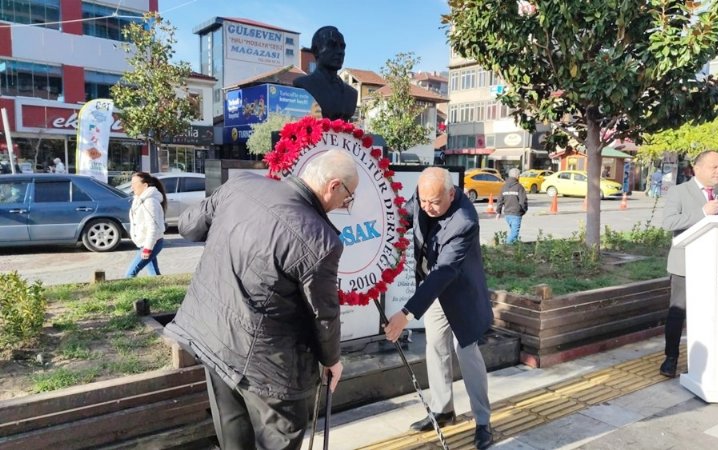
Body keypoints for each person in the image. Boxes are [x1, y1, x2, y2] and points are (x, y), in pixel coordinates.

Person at [164, 149, 358, 450]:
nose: (346, 204)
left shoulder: (241, 186)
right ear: (333, 186)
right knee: (279, 438)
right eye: (349, 197)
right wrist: (332, 360)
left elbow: (189, 226)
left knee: (233, 437)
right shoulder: (320, 240)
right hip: (270, 366)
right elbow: (324, 314)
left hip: (214, 338)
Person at [383, 167, 494, 450]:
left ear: (451, 193)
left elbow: (445, 271)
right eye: (423, 201)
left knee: (466, 352)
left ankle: (483, 420)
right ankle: (443, 410)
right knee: (435, 347)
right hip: (432, 289)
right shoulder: (424, 195)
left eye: (434, 202)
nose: (427, 208)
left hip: (459, 292)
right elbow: (403, 217)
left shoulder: (464, 221)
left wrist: (406, 313)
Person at [659, 151, 718, 378]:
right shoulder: (679, 191)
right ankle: (671, 357)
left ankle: (705, 360)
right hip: (685, 262)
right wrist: (703, 212)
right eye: (714, 167)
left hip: (717, 265)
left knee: (709, 314)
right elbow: (669, 222)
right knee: (678, 313)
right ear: (697, 168)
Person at [293, 26, 358, 121]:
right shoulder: (302, 86)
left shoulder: (351, 93)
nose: (340, 52)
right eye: (332, 45)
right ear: (316, 51)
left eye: (342, 47)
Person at [126, 172, 167, 278]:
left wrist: (147, 249)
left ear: (145, 185)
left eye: (134, 183)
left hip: (151, 243)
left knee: (129, 275)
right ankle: (161, 293)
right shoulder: (138, 200)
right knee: (154, 275)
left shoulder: (150, 202)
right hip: (145, 243)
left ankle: (126, 294)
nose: (132, 186)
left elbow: (152, 227)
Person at [495, 167, 527, 244]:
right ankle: (505, 247)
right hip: (516, 213)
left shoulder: (504, 187)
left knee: (513, 233)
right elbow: (523, 201)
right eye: (519, 176)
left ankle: (513, 250)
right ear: (517, 176)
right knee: (514, 234)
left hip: (507, 214)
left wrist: (498, 212)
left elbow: (500, 200)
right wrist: (523, 210)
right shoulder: (519, 187)